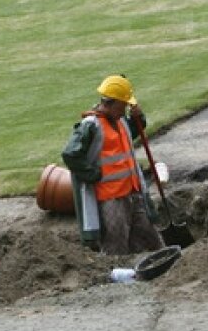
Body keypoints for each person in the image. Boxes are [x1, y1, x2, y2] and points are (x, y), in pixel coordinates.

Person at [62, 74, 165, 255]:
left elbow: (133, 131)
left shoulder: (121, 121)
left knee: (148, 236)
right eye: (123, 104)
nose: (125, 107)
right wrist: (93, 174)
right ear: (112, 103)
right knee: (116, 243)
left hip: (132, 191)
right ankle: (118, 277)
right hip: (111, 198)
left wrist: (138, 117)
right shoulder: (91, 126)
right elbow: (71, 154)